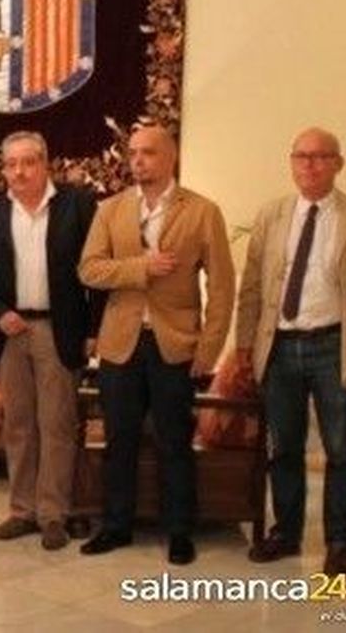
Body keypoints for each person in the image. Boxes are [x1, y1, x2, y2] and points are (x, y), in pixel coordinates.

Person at [77, 124, 235, 565]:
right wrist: (141, 267)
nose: (138, 161)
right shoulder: (110, 209)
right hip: (120, 344)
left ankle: (179, 530)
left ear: (170, 157)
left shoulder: (202, 211)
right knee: (119, 440)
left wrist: (208, 350)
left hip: (176, 345)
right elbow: (89, 270)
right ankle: (116, 525)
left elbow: (222, 287)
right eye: (132, 153)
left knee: (174, 442)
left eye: (148, 152)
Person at [234, 127, 346, 576]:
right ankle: (287, 531)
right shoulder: (272, 214)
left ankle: (341, 542)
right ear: (291, 162)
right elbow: (252, 285)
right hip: (279, 347)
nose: (309, 165)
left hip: (333, 345)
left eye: (320, 156)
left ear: (338, 163)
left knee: (340, 448)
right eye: (301, 156)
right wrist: (243, 344)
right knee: (284, 446)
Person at [0, 131, 98, 550]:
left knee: (56, 424)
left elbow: (98, 271)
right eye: (11, 164)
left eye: (28, 162)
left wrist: (93, 330)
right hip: (11, 330)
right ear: (2, 169)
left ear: (45, 163)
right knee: (19, 426)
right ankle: (22, 510)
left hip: (59, 330)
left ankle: (53, 513)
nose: (19, 172)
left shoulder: (77, 205)